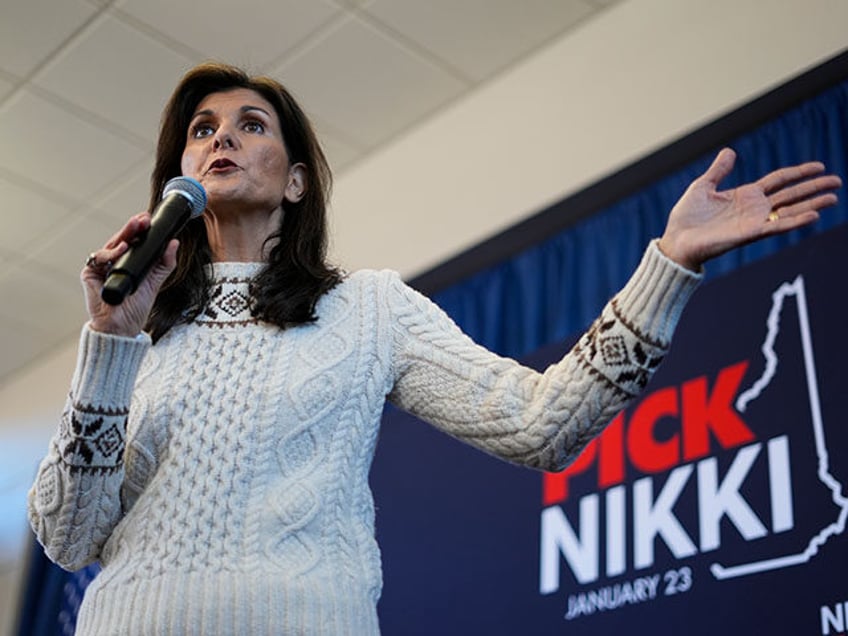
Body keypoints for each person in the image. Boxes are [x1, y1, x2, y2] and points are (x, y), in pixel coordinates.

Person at [27, 62, 841, 635]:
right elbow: (68, 536)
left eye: (250, 124)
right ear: (181, 171)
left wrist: (667, 265)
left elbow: (542, 423)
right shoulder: (134, 331)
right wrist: (108, 340)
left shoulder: (367, 309)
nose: (220, 139)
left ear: (298, 180)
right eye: (201, 129)